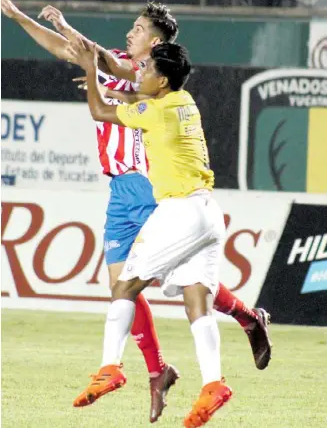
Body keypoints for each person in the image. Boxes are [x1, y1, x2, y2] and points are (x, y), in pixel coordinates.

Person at [1, 0, 272, 412]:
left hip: (153, 187)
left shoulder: (144, 73)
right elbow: (72, 51)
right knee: (124, 284)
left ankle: (241, 320)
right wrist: (20, 18)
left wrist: (76, 41)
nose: (131, 34)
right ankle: (159, 369)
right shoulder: (130, 68)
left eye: (139, 29)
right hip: (119, 190)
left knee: (173, 283)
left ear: (156, 43)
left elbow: (97, 62)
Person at [68, 39, 234, 427]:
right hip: (209, 212)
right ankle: (213, 384)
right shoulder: (184, 101)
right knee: (197, 301)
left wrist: (93, 71)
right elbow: (131, 94)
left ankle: (110, 367)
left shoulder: (153, 111)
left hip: (179, 210)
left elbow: (98, 111)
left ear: (161, 81)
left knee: (125, 287)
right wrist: (115, 84)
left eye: (146, 70)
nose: (139, 73)